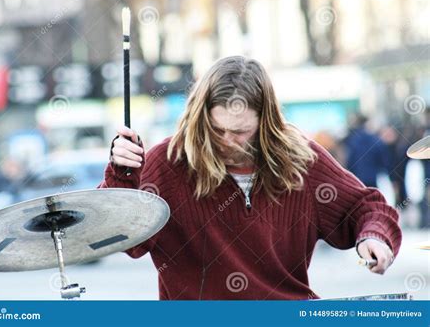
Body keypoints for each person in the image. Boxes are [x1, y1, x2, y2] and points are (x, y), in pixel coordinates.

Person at [98, 56, 401, 300]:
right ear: (201, 118)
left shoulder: (300, 160)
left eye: (241, 132)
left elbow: (366, 207)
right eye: (218, 131)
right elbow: (122, 240)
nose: (228, 142)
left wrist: (373, 236)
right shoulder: (169, 161)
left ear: (265, 122)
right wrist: (121, 175)